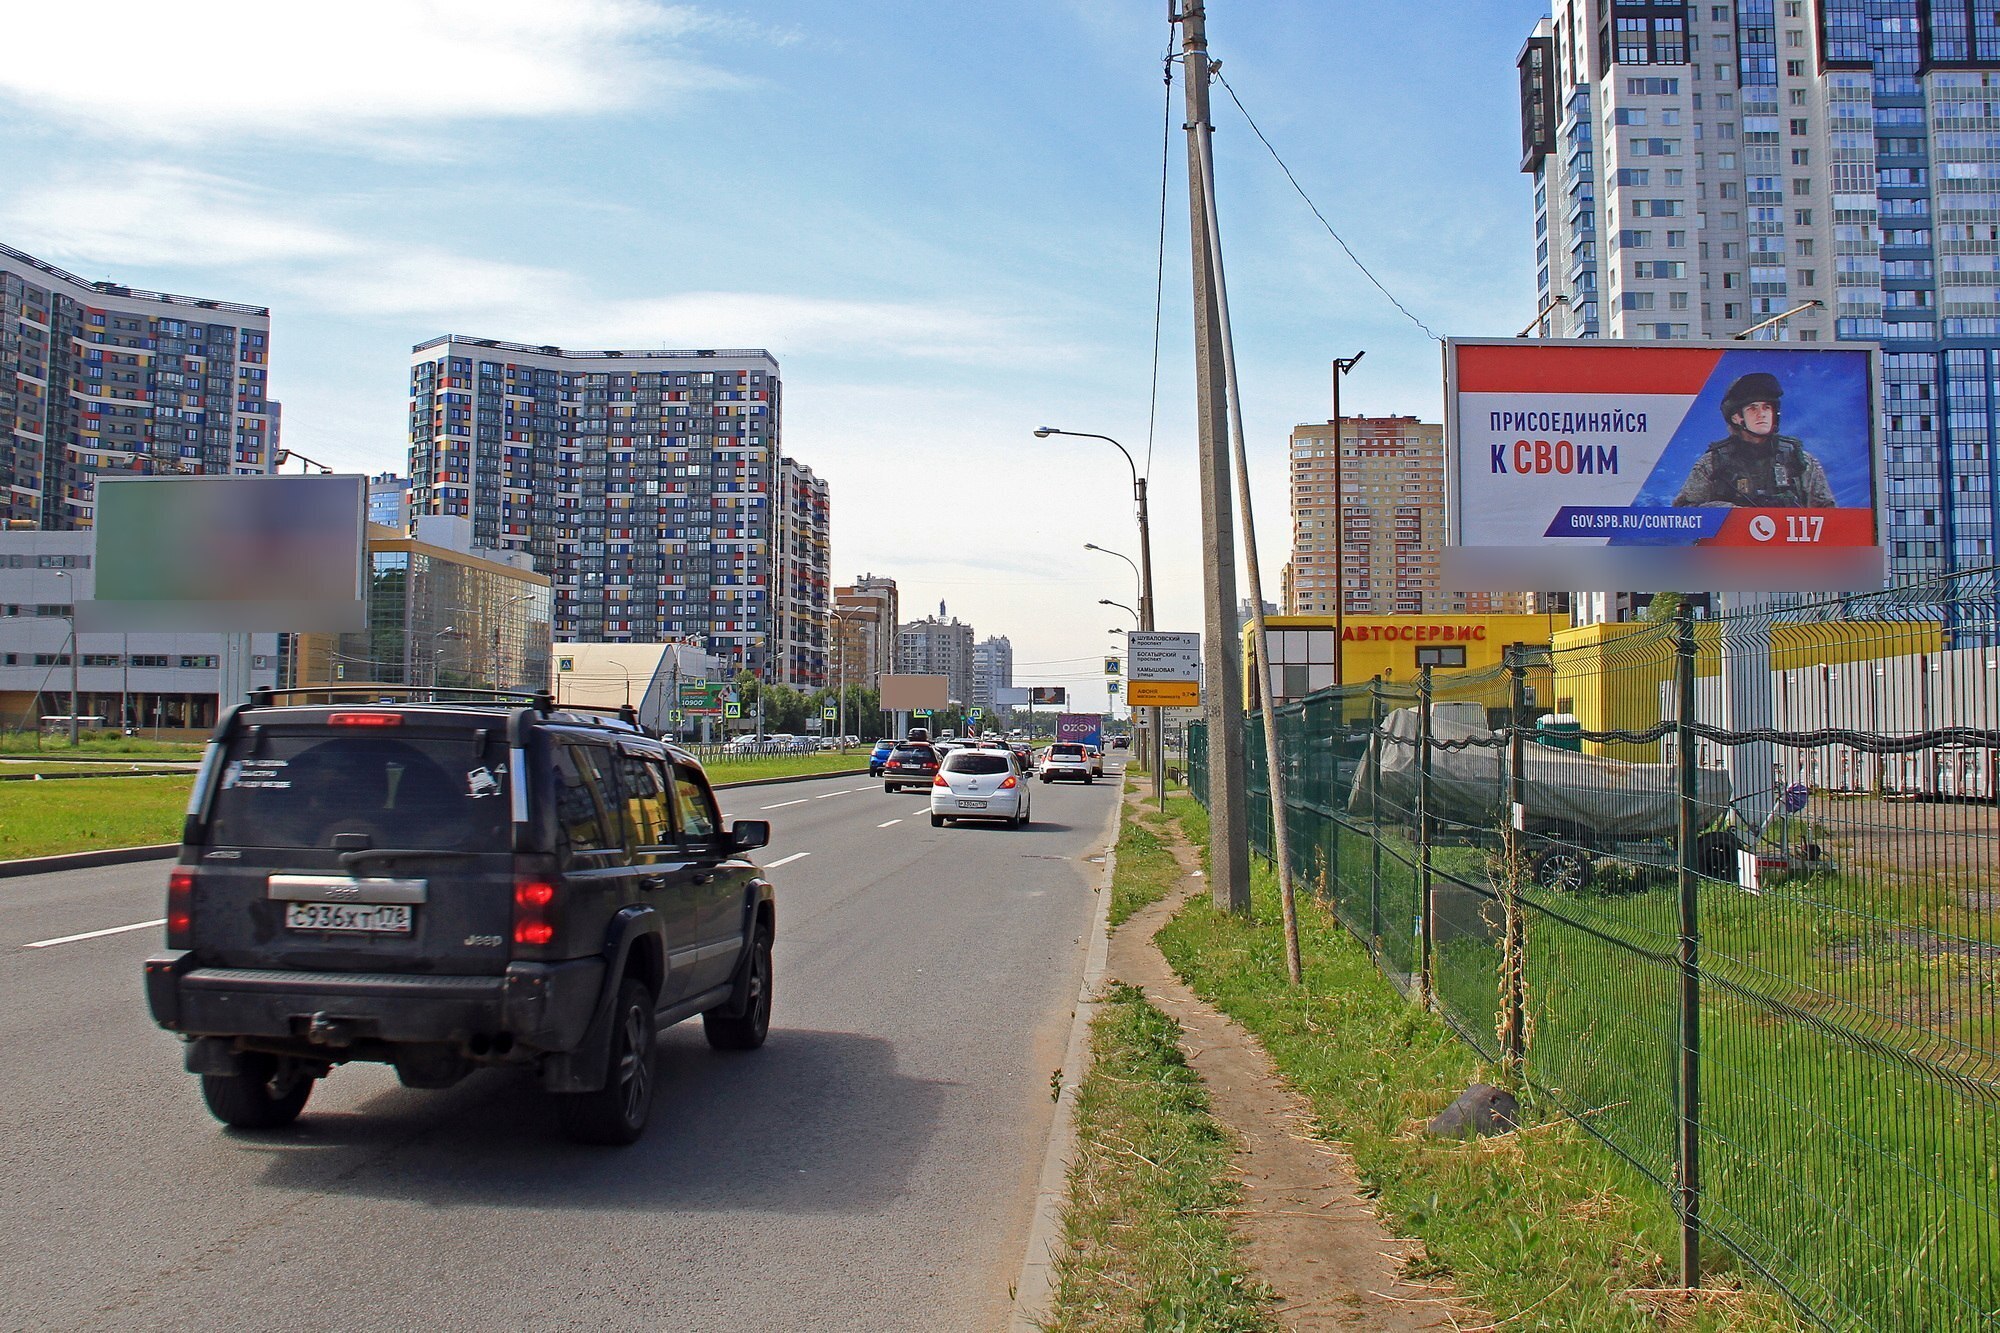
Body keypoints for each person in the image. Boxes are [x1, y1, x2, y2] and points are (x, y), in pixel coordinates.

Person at [1673, 371, 1838, 508]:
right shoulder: (1713, 463)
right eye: (1753, 408)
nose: (1762, 414)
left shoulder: (1800, 461)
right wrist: (1725, 512)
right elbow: (1683, 514)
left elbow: (1829, 516)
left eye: (1767, 407)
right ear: (1737, 418)